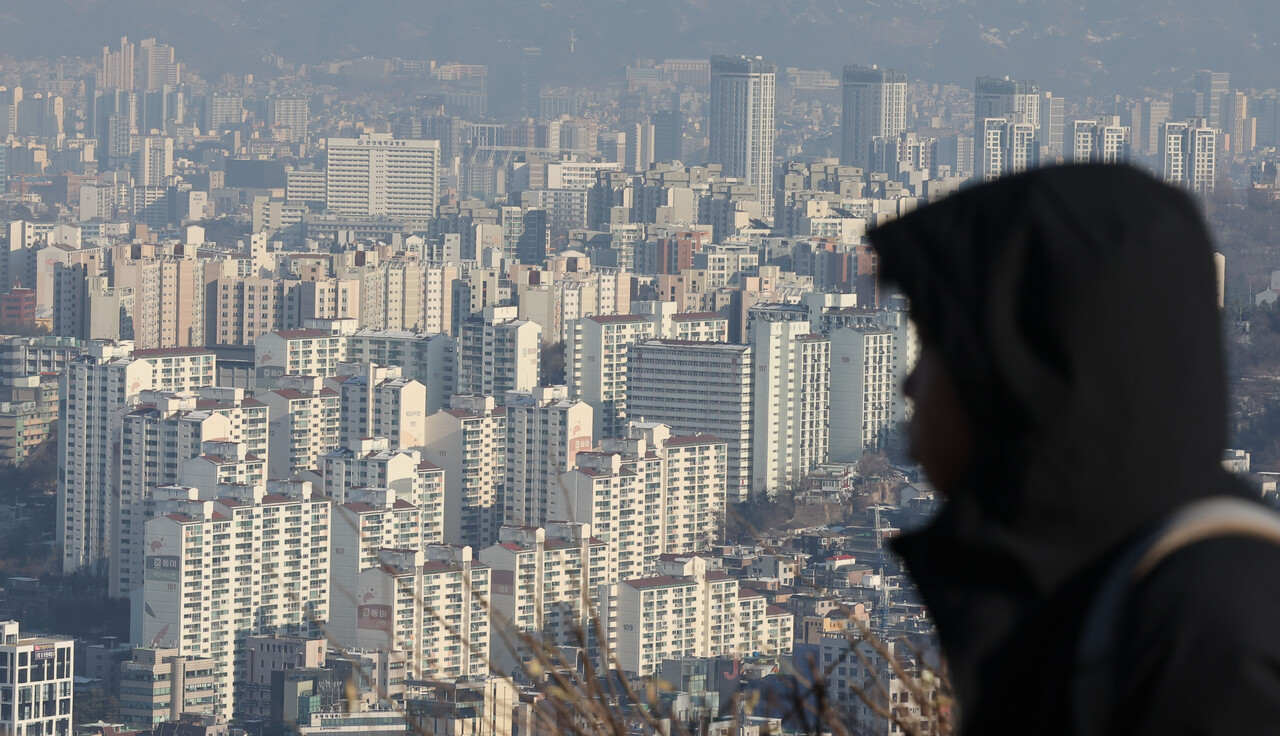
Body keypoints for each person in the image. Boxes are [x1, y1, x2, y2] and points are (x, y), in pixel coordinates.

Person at [868, 164, 1280, 735]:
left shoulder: (1204, 630)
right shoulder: (1086, 590)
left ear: (1016, 370)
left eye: (935, 344)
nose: (909, 386)